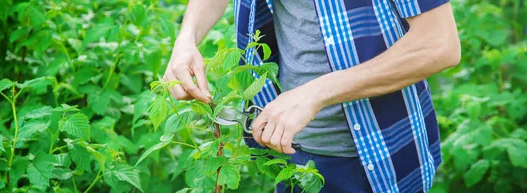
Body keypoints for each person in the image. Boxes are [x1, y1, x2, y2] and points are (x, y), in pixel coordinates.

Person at [162, 0, 460, 192]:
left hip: (379, 156)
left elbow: (438, 45)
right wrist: (187, 39)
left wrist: (317, 92)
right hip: (291, 154)